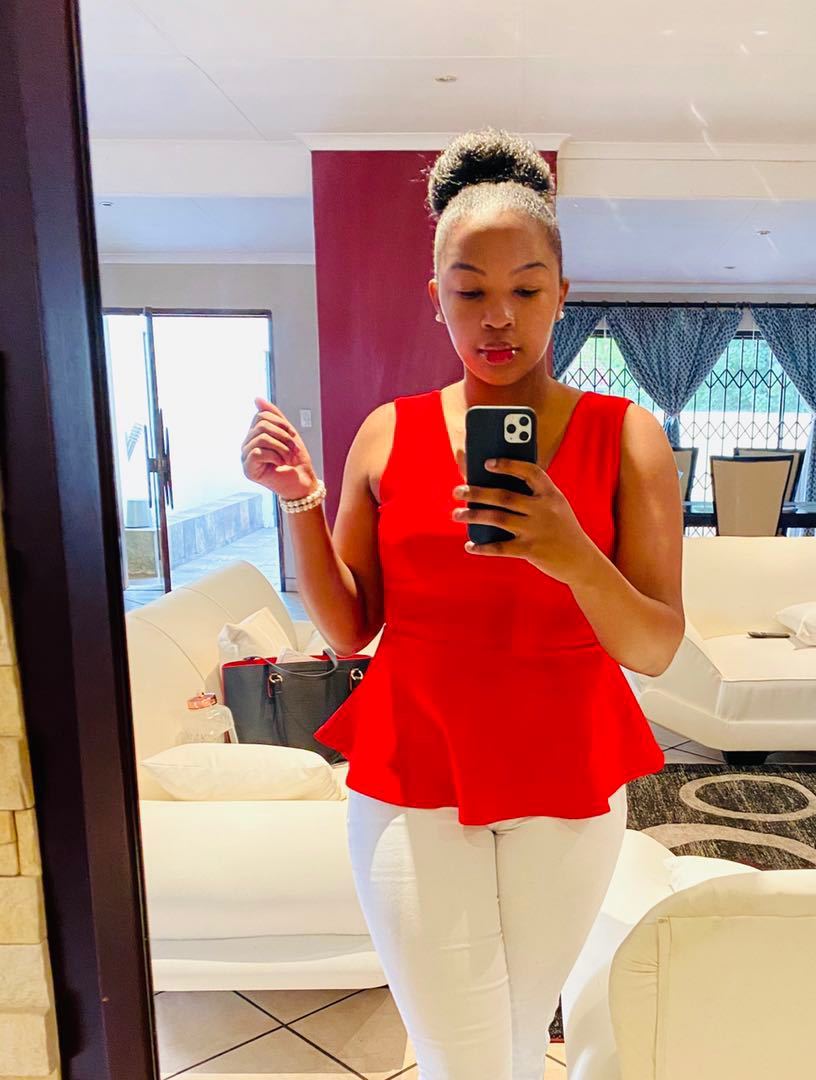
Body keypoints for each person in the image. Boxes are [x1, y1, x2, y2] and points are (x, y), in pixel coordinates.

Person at [240, 127, 685, 1080]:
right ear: (435, 296)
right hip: (414, 759)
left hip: (567, 768)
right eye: (470, 290)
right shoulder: (384, 433)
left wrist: (573, 556)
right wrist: (300, 503)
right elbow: (350, 628)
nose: (499, 318)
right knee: (463, 1051)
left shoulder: (628, 437)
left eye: (526, 288)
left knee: (514, 1040)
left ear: (562, 294)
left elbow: (654, 646)